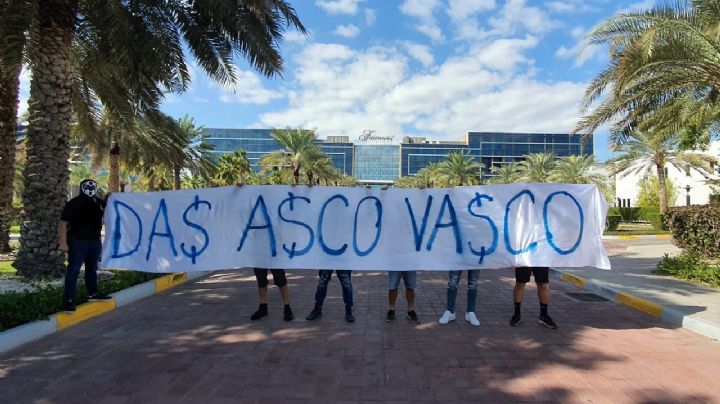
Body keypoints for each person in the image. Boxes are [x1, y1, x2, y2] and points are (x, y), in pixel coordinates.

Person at [58, 179, 111, 313]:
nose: (90, 188)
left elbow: (111, 208)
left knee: (92, 268)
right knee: (73, 270)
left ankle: (93, 294)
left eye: (93, 186)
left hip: (94, 241)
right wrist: (63, 242)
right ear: (82, 187)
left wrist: (113, 198)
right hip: (77, 241)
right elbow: (63, 223)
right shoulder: (74, 203)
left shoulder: (98, 202)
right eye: (87, 186)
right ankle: (68, 300)